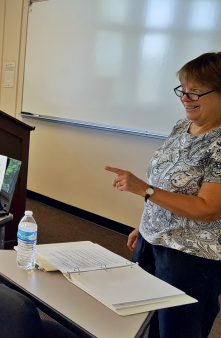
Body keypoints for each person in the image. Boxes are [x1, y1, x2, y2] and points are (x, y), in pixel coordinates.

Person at [105, 52, 221, 338]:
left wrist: (144, 189)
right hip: (153, 240)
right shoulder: (183, 127)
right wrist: (145, 225)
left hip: (190, 258)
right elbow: (165, 182)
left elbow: (208, 209)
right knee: (143, 321)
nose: (185, 97)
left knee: (177, 329)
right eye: (183, 89)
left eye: (196, 91)